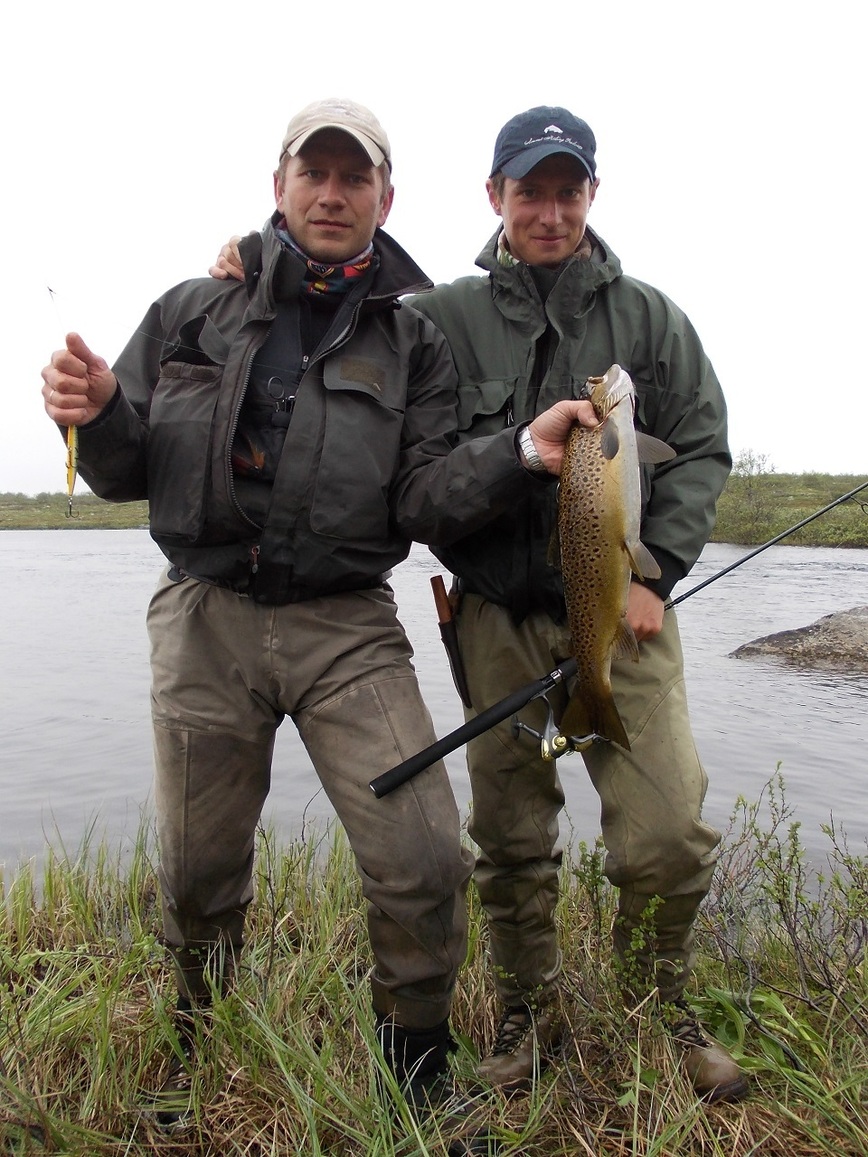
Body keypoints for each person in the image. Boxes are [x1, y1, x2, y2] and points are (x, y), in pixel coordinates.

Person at [40, 98, 596, 1146]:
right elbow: (121, 469)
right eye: (316, 174)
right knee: (198, 867)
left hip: (348, 622)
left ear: (388, 198)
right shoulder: (192, 308)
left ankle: (416, 1064)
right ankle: (194, 1034)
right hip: (205, 614)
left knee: (427, 855)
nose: (333, 195)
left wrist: (519, 450)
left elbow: (427, 496)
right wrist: (99, 404)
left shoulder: (416, 336)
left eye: (356, 178)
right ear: (280, 183)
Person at [210, 106, 747, 1103]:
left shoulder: (652, 319)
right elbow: (344, 317)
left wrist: (655, 567)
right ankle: (527, 1022)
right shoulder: (437, 315)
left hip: (625, 616)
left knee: (667, 834)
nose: (549, 211)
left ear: (591, 194)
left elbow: (701, 446)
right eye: (529, 190)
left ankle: (657, 1012)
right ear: (493, 197)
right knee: (508, 841)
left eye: (567, 190)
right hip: (495, 614)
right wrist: (248, 263)